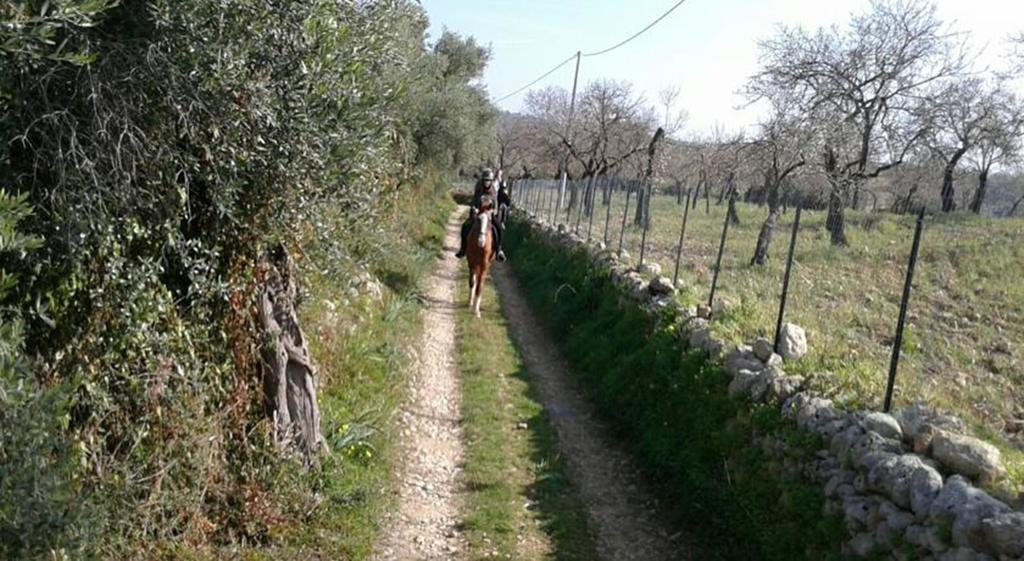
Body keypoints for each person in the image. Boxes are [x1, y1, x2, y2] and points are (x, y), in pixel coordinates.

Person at [456, 168, 506, 261]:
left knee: (498, 227)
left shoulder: (493, 191)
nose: (487, 182)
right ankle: (463, 249)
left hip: (489, 214)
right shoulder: (478, 188)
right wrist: (474, 208)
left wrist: (492, 212)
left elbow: (495, 206)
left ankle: (499, 250)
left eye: (489, 180)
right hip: (478, 213)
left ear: (491, 181)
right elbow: (474, 201)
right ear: (482, 180)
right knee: (465, 226)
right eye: (485, 180)